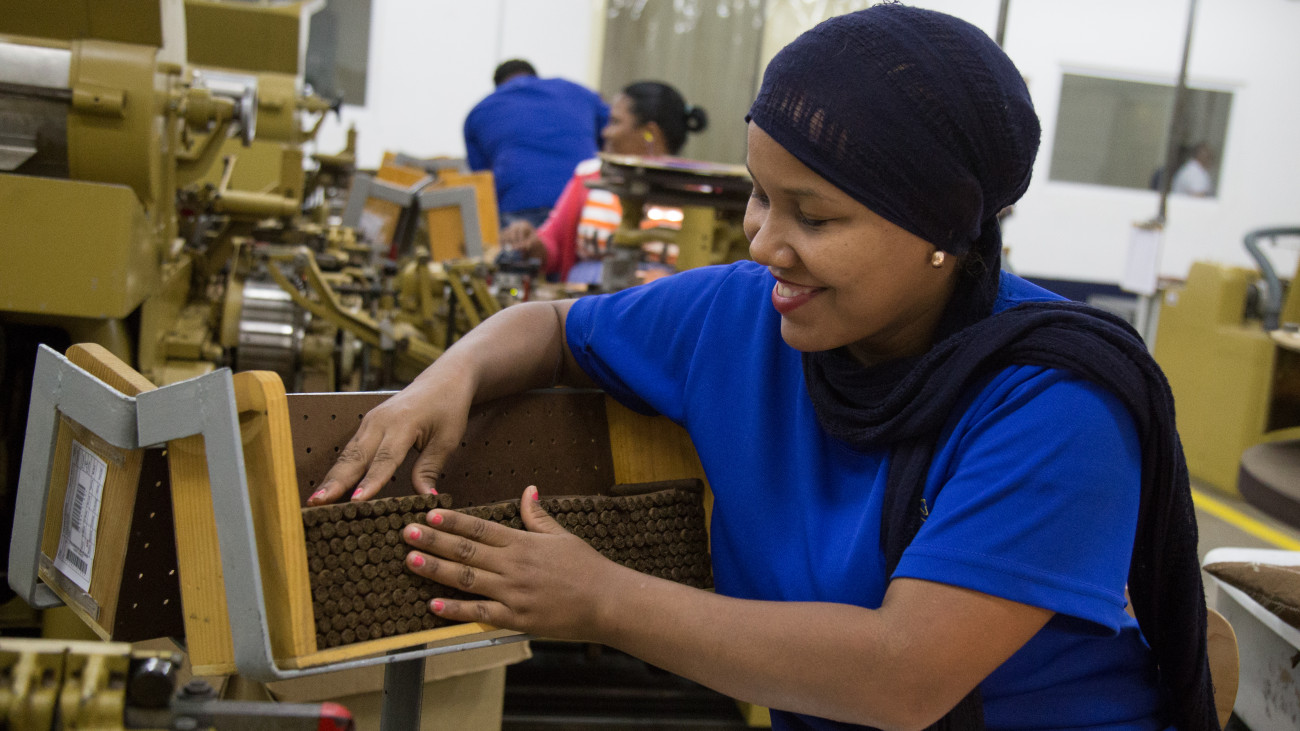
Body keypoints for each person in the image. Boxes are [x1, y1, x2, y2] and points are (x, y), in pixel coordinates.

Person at [313, 5, 1218, 729]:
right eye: (759, 193)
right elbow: (552, 326)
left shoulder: (1056, 403)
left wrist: (601, 599)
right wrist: (447, 379)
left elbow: (902, 675)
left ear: (942, 229)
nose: (763, 241)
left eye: (813, 217)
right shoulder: (743, 316)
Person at [499, 81, 708, 284]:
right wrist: (530, 242)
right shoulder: (590, 175)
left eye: (615, 122)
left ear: (650, 134)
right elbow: (553, 244)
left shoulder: (701, 194)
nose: (604, 132)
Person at [464, 59, 610, 228]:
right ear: (535, 76)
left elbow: (483, 179)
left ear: (499, 86)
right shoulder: (580, 92)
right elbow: (611, 135)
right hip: (585, 200)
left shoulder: (479, 112)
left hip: (519, 208)